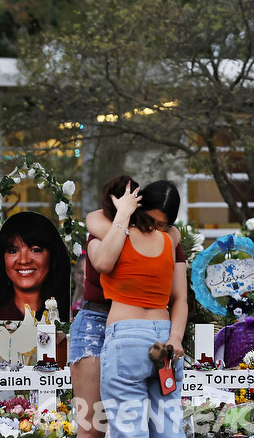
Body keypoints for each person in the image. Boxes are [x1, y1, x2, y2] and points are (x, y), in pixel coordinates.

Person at [68, 177, 186, 438]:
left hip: (126, 332)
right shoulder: (167, 239)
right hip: (157, 332)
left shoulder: (156, 236)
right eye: (151, 221)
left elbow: (103, 263)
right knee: (168, 426)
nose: (155, 229)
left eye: (162, 224)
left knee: (127, 427)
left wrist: (122, 217)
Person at [0, 211, 71, 323]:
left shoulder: (71, 311)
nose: (24, 260)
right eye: (13, 251)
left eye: (35, 250)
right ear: (2, 258)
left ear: (52, 256)